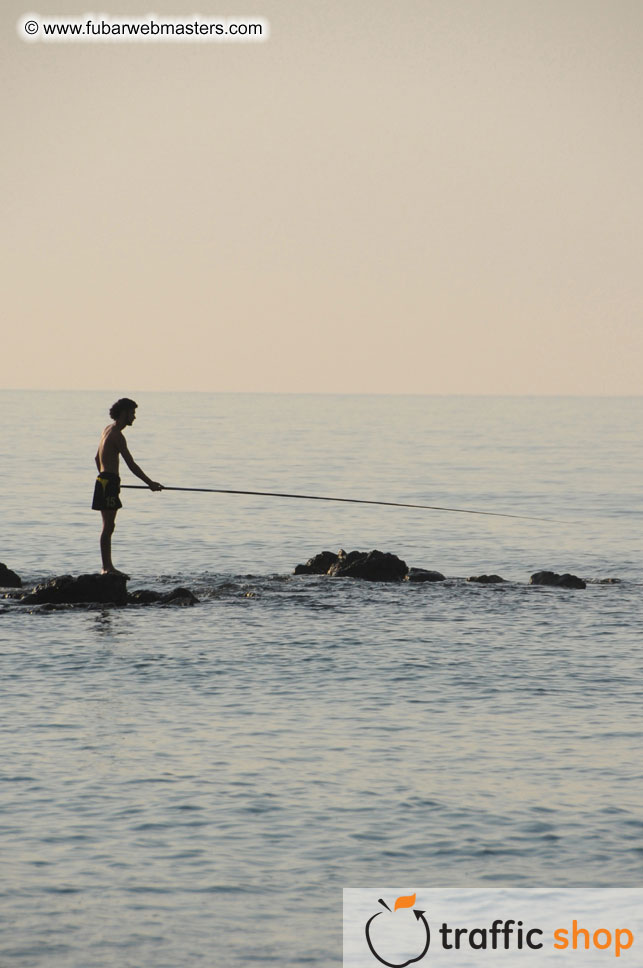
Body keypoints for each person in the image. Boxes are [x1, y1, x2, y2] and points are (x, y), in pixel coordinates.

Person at [92, 398, 163, 576]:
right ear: (124, 413)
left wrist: (106, 477)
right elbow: (131, 464)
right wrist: (150, 484)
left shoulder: (106, 429)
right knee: (108, 527)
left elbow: (96, 458)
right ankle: (107, 568)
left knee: (108, 526)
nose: (134, 417)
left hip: (103, 480)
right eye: (132, 413)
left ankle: (106, 567)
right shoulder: (117, 435)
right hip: (108, 481)